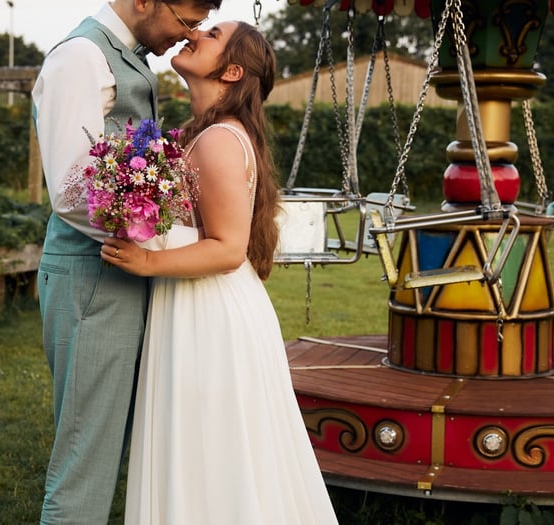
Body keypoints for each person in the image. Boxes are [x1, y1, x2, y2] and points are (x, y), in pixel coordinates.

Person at [101, 21, 340, 524]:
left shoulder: (219, 142)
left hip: (211, 316)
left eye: (210, 34)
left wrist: (148, 261)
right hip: (194, 307)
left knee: (214, 448)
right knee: (204, 446)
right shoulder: (201, 135)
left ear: (232, 70)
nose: (194, 33)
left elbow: (229, 248)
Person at [31, 1, 222, 523]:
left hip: (121, 269)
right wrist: (179, 247)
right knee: (85, 459)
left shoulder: (127, 58)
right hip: (91, 277)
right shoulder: (81, 59)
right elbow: (72, 191)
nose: (189, 36)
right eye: (187, 20)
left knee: (114, 449)